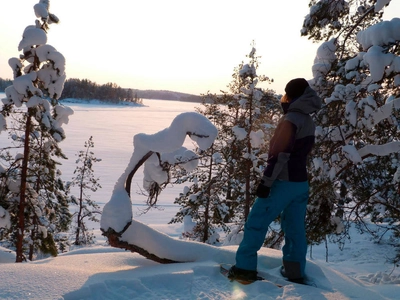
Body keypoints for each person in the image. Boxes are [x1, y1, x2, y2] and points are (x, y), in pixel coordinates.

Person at [228, 78, 322, 284]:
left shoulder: (291, 119)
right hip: (300, 183)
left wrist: (266, 182)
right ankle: (294, 272)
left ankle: (244, 269)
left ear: (292, 96)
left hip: (282, 181)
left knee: (256, 223)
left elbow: (279, 155)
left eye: (287, 94)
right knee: (295, 228)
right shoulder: (307, 119)